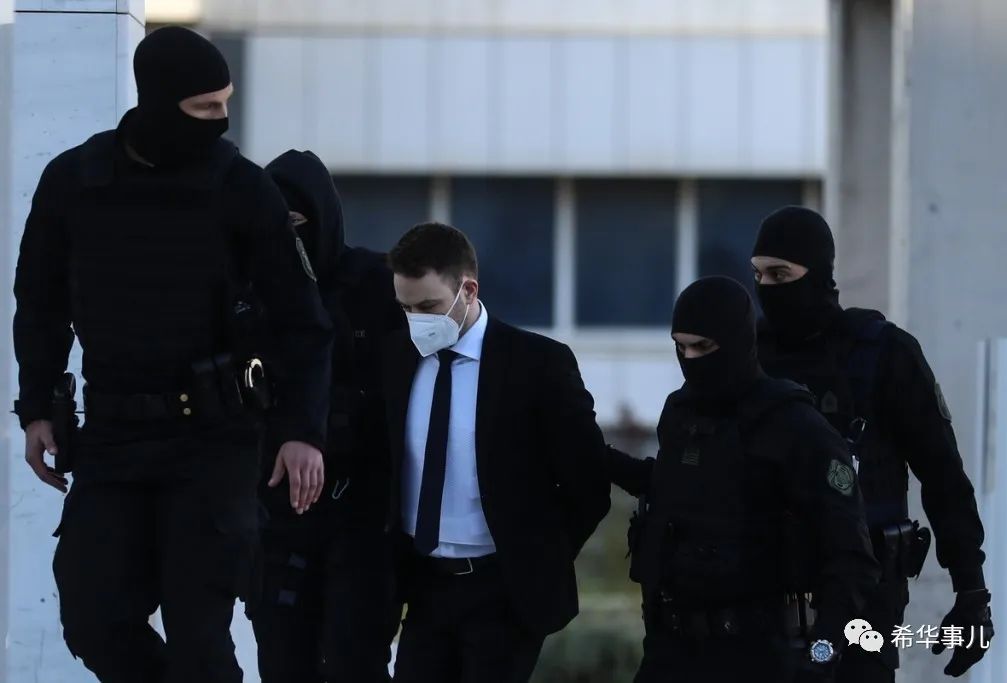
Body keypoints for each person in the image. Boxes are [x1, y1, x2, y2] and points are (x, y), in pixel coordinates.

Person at [12, 27, 332, 683]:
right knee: (93, 619)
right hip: (111, 436)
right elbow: (38, 301)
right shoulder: (75, 180)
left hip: (214, 442)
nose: (222, 120)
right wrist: (38, 406)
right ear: (157, 102)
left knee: (198, 640)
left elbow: (302, 321)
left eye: (226, 103)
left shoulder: (243, 188)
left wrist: (301, 430)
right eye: (205, 107)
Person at [750, 206, 993, 682]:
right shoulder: (749, 357)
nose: (767, 288)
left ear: (817, 274)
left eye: (781, 274)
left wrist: (971, 591)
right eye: (758, 275)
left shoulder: (882, 354)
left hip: (864, 608)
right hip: (758, 604)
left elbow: (943, 477)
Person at [606, 276, 879, 683]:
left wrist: (821, 657)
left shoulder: (794, 425)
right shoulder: (681, 414)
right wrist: (598, 458)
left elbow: (852, 559)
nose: (690, 358)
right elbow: (673, 488)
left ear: (736, 341)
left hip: (758, 656)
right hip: (671, 650)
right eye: (681, 347)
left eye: (703, 347)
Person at [382, 222, 610, 683]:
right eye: (406, 308)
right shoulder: (397, 358)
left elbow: (588, 483)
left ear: (468, 290)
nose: (417, 320)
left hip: (501, 593)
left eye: (428, 307)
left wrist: (537, 555)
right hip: (424, 588)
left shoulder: (537, 364)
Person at [249, 149, 406, 682]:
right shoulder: (249, 290)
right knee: (282, 660)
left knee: (352, 660)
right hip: (277, 512)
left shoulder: (377, 285)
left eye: (296, 223)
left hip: (361, 511)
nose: (287, 239)